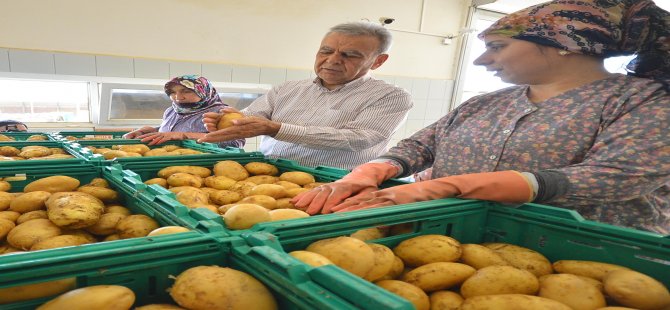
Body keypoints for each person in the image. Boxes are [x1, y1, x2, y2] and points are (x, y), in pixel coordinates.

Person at [292, 0, 670, 234]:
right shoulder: (489, 103)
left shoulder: (644, 101)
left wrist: (448, 186)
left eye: (497, 47)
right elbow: (421, 144)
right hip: (458, 238)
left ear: (567, 45)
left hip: (586, 252)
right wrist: (374, 170)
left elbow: (615, 177)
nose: (481, 60)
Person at [198, 22, 413, 170]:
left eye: (350, 55)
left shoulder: (391, 97)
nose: (333, 60)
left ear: (378, 61)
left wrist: (277, 129)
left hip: (338, 184)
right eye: (326, 51)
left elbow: (360, 138)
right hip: (268, 174)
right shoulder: (287, 89)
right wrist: (227, 120)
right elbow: (249, 118)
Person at [123, 75, 245, 148]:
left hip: (207, 165)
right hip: (173, 161)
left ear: (203, 91)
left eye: (186, 91)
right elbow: (178, 130)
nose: (178, 97)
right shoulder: (171, 110)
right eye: (173, 92)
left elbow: (235, 142)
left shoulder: (221, 112)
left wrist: (184, 136)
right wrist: (154, 130)